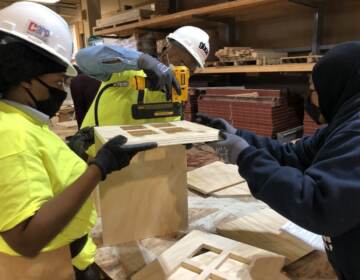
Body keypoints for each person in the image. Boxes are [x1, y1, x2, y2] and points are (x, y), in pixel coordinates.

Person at [0, 2, 156, 279]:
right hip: (51, 267)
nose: (62, 90)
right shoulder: (11, 133)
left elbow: (37, 174)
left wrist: (73, 154)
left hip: (72, 256)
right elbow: (26, 239)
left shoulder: (20, 119)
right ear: (26, 78)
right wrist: (99, 167)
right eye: (59, 81)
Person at [195, 41, 360, 280]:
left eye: (314, 91)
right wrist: (238, 136)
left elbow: (319, 205)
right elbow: (294, 156)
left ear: (337, 86)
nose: (312, 99)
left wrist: (245, 157)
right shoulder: (344, 125)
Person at [74, 26, 210, 157]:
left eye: (189, 70)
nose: (182, 70)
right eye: (180, 61)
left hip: (135, 166)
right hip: (93, 157)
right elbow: (82, 59)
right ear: (166, 48)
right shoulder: (125, 70)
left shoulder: (175, 94)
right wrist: (141, 60)